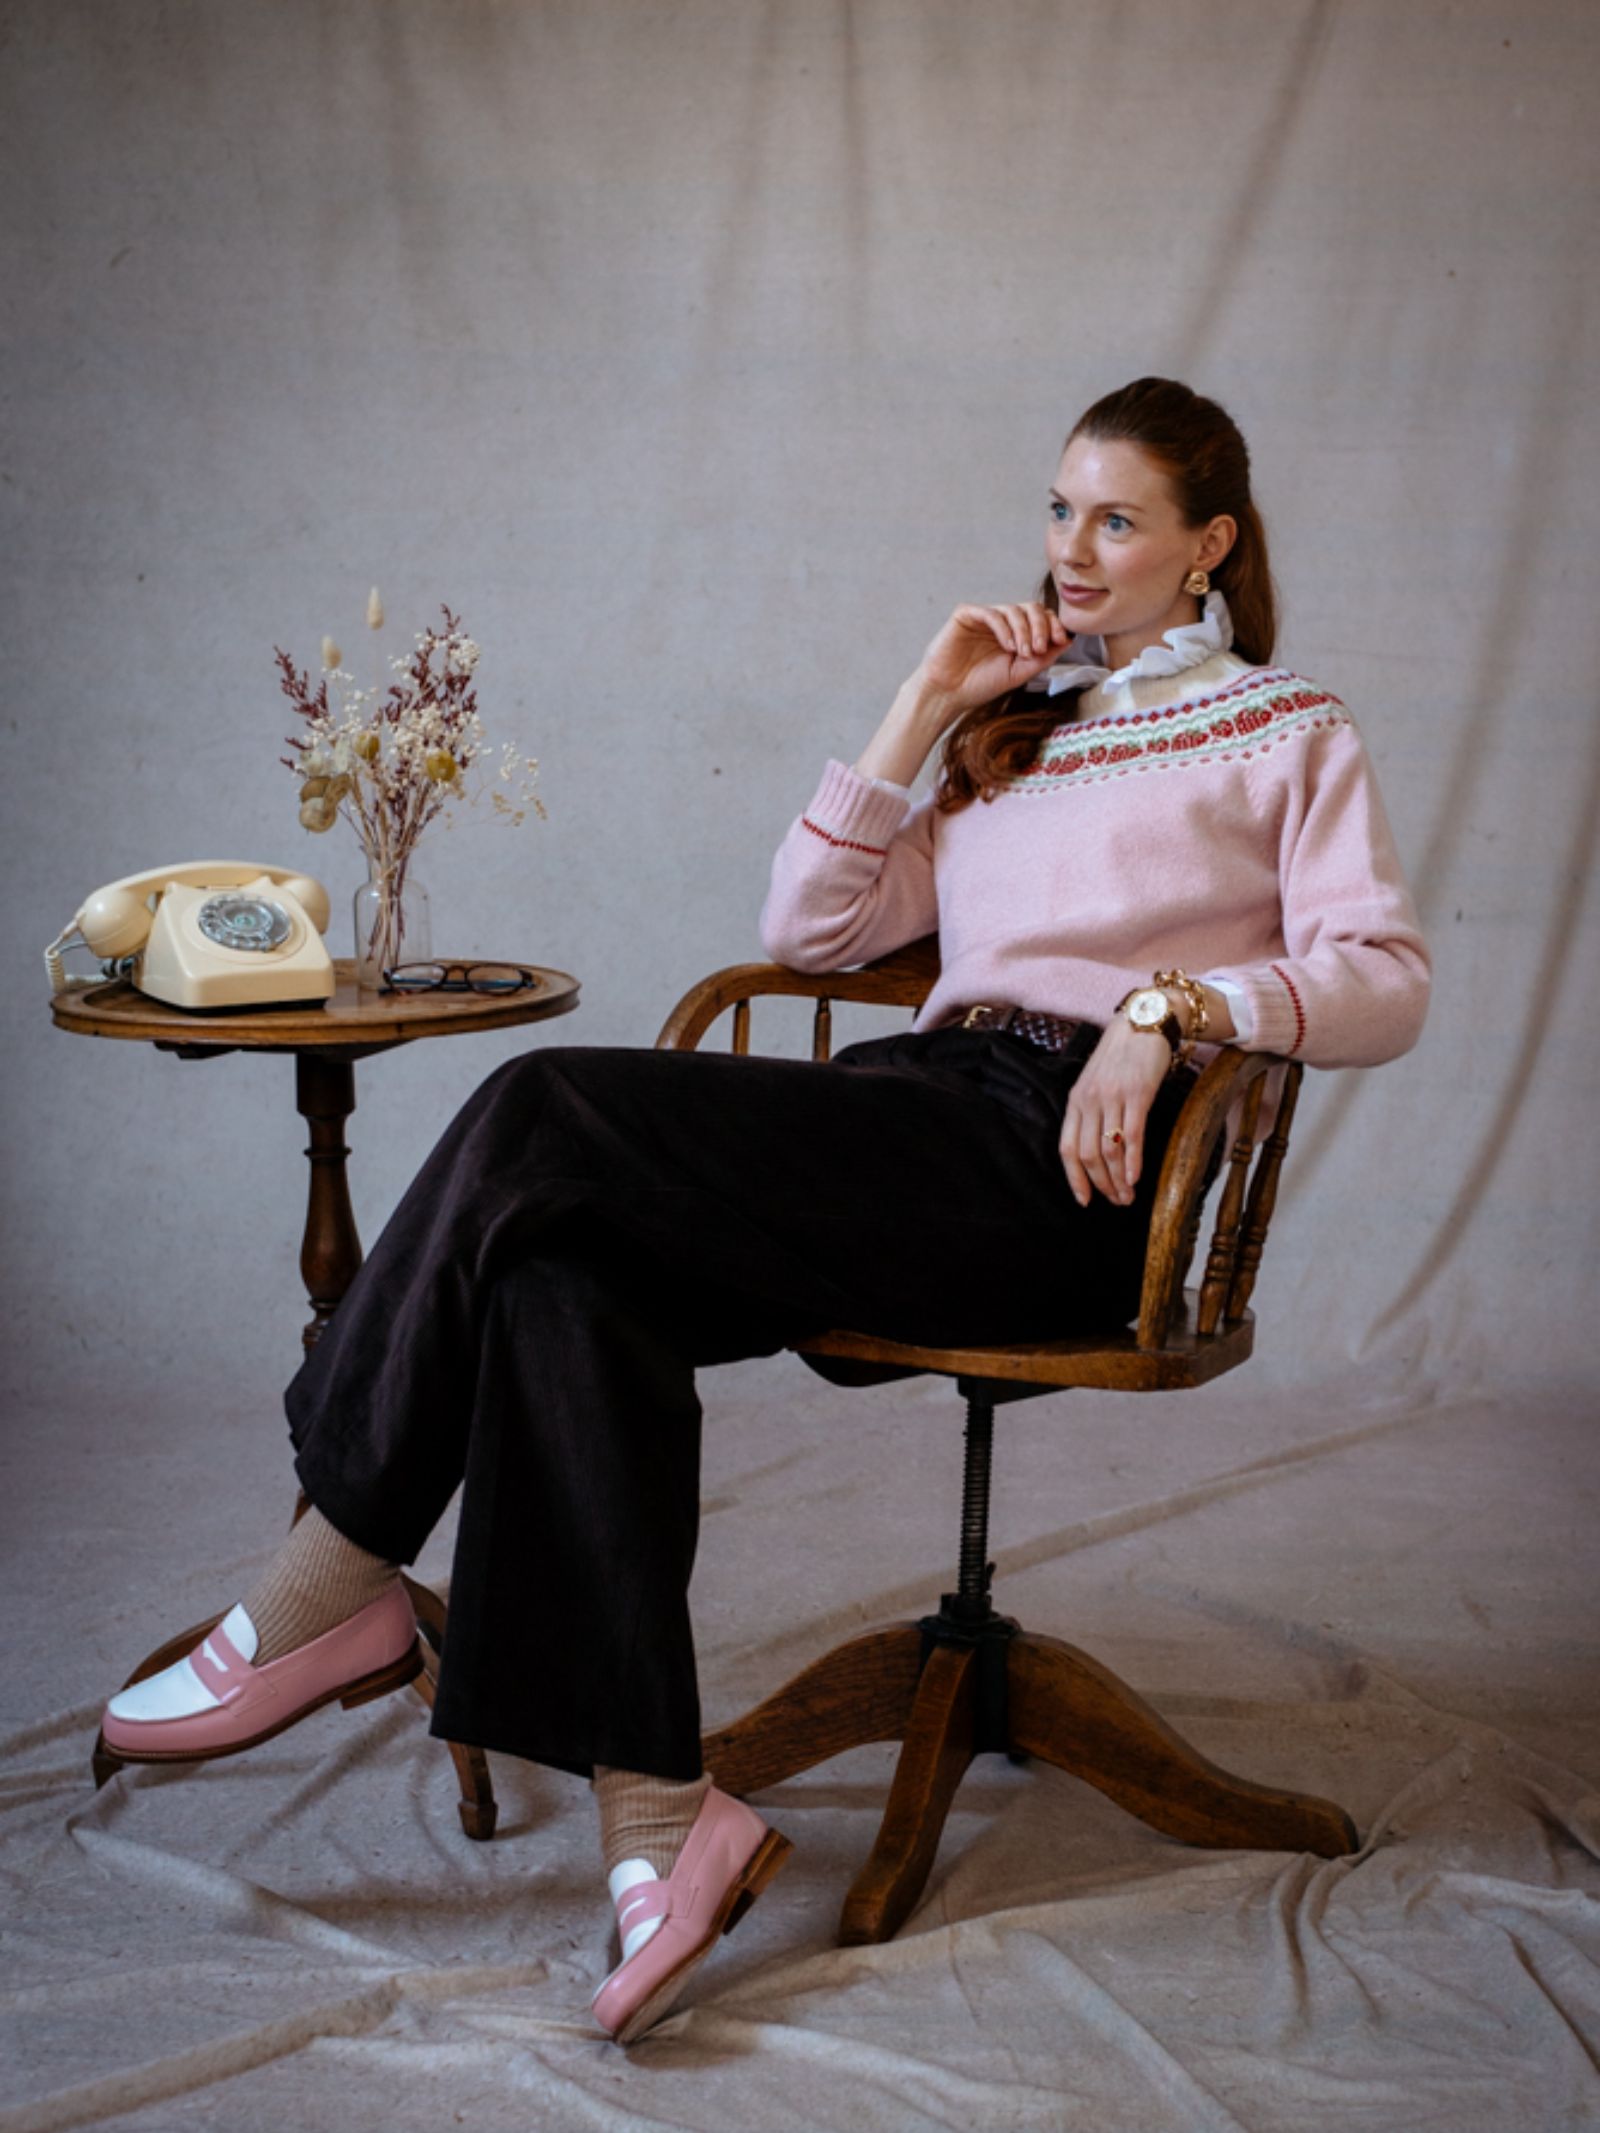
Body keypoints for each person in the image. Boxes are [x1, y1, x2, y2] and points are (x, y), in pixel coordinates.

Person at [98, 377, 1430, 2043]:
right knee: (560, 1274)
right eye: (1056, 511)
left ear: (1208, 544)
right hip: (917, 1112)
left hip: (1066, 1166)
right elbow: (810, 927)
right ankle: (666, 1815)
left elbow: (1382, 979)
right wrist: (924, 700)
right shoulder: (1021, 730)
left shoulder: (1288, 728)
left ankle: (335, 1567)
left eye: (1116, 519)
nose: (1071, 550)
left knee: (536, 1106)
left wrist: (1173, 1013)